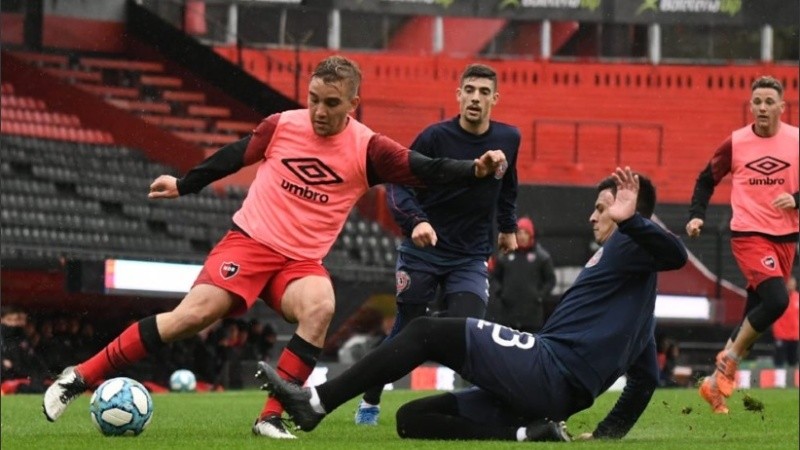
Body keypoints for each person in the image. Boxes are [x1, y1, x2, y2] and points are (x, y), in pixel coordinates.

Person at [41, 55, 508, 439]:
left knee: (320, 306)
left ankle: (270, 417)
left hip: (300, 263)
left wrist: (476, 170)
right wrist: (184, 184)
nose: (319, 111)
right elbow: (235, 155)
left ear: (353, 104)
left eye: (331, 103)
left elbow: (427, 169)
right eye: (313, 99)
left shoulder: (369, 149)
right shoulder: (281, 125)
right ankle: (79, 376)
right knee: (191, 317)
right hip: (250, 243)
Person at [257, 167, 688, 442]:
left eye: (602, 208)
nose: (593, 217)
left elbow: (677, 255)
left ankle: (315, 403)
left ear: (630, 211)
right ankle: (528, 435)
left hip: (545, 368)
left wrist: (632, 220)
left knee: (426, 331)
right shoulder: (639, 302)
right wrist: (607, 437)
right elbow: (645, 380)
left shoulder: (630, 242)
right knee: (413, 418)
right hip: (552, 398)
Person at [356, 63, 520, 425]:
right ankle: (371, 396)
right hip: (424, 251)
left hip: (470, 255)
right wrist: (417, 221)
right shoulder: (433, 138)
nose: (475, 98)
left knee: (469, 329)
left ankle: (474, 409)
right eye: (469, 90)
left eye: (483, 92)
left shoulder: (509, 138)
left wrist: (508, 227)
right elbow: (397, 182)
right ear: (458, 95)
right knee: (407, 329)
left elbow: (508, 185)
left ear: (495, 99)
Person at [686, 76, 799, 414]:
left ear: (781, 107)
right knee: (777, 300)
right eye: (757, 102)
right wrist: (696, 216)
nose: (762, 107)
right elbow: (706, 179)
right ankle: (730, 360)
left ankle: (712, 386)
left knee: (754, 315)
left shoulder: (796, 140)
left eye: (769, 102)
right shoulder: (735, 143)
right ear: (751, 106)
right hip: (749, 234)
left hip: (785, 238)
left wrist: (796, 199)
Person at [489, 216, 556, 333]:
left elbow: (551, 280)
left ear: (531, 235)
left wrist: (539, 296)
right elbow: (494, 276)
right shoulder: (505, 255)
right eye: (519, 233)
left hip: (532, 317)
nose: (522, 236)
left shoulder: (542, 257)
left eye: (526, 233)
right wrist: (502, 292)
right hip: (508, 315)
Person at [772, 276, 799, 368]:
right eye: (789, 283)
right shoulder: (778, 297)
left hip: (794, 335)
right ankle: (778, 376)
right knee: (779, 362)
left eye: (793, 284)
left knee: (793, 362)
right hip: (781, 335)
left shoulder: (798, 297)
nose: (791, 285)